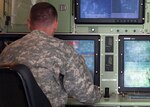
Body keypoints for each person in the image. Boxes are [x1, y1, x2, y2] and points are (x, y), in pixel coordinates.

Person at [0, 2, 101, 107]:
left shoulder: (7, 50)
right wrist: (99, 93)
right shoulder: (64, 50)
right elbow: (86, 95)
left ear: (28, 23)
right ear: (56, 23)